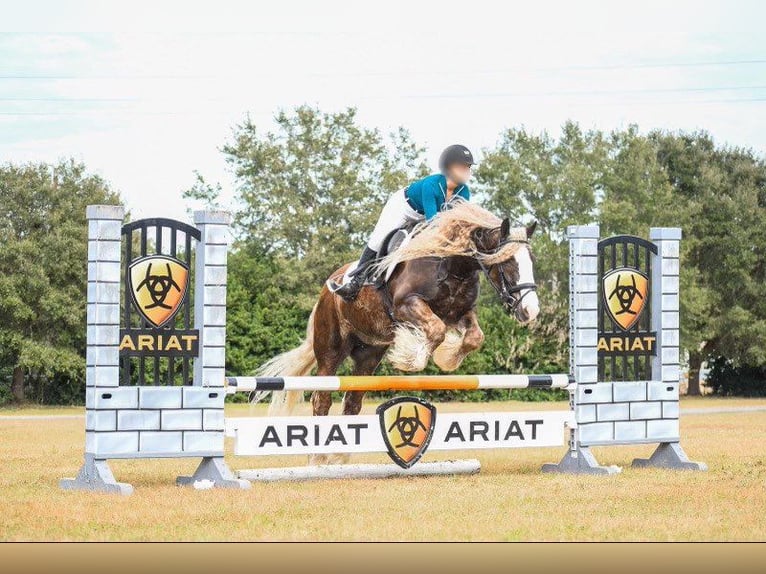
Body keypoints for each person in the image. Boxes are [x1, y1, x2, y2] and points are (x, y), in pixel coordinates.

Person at [330, 144, 475, 301]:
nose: (466, 171)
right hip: (403, 207)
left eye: (468, 167)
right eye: (462, 167)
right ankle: (355, 282)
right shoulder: (432, 185)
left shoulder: (464, 191)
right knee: (379, 240)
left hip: (425, 216)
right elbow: (433, 222)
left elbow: (456, 221)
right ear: (449, 168)